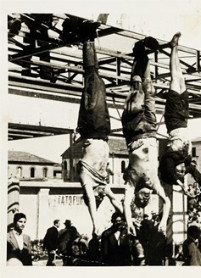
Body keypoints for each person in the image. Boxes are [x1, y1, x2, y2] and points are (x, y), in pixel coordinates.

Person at [75, 19, 122, 236]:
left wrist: (95, 224)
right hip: (103, 132)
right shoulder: (102, 183)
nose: (101, 195)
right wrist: (130, 220)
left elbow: (92, 201)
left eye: (97, 196)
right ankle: (89, 38)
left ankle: (87, 37)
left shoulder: (87, 181)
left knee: (92, 79)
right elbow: (114, 199)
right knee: (99, 83)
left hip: (92, 129)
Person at [121, 37, 170, 237]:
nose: (147, 195)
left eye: (143, 197)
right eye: (148, 197)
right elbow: (166, 202)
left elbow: (125, 202)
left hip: (135, 131)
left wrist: (128, 221)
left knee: (137, 88)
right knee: (149, 90)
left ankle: (137, 52)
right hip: (150, 130)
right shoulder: (154, 183)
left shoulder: (132, 183)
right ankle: (145, 54)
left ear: (137, 196)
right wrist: (163, 221)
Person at [158, 32, 201, 198]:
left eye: (180, 171)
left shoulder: (169, 159)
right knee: (181, 79)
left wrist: (181, 186)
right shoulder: (184, 160)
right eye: (183, 171)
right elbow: (195, 173)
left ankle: (173, 47)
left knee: (174, 79)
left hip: (174, 120)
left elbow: (170, 173)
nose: (183, 169)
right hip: (183, 119)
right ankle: (174, 48)